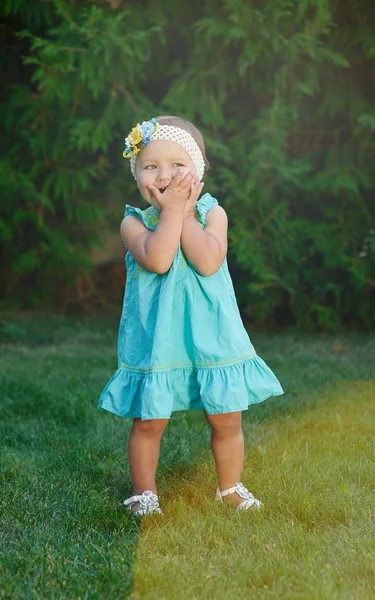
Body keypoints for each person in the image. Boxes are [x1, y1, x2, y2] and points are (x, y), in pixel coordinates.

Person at [98, 115, 284, 515]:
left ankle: (230, 487)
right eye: (151, 166)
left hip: (212, 333)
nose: (165, 175)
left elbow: (207, 261)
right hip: (160, 338)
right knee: (149, 421)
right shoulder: (133, 223)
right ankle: (144, 493)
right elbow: (160, 259)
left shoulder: (213, 215)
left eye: (177, 165)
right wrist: (170, 213)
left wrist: (183, 214)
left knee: (226, 418)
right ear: (138, 176)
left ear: (197, 170)